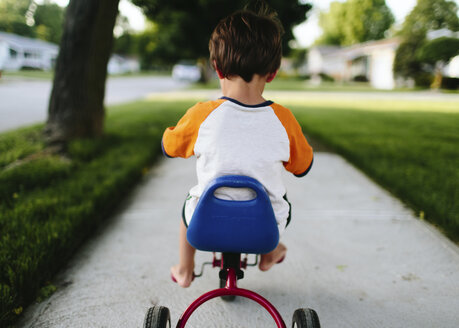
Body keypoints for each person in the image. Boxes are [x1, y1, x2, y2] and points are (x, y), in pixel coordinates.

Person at [161, 7, 314, 288]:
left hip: (207, 223)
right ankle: (272, 251)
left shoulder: (202, 114)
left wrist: (171, 136)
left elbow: (170, 146)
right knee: (278, 201)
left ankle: (184, 269)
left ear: (217, 67)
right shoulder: (284, 120)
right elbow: (303, 166)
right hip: (263, 227)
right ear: (273, 73)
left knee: (189, 203)